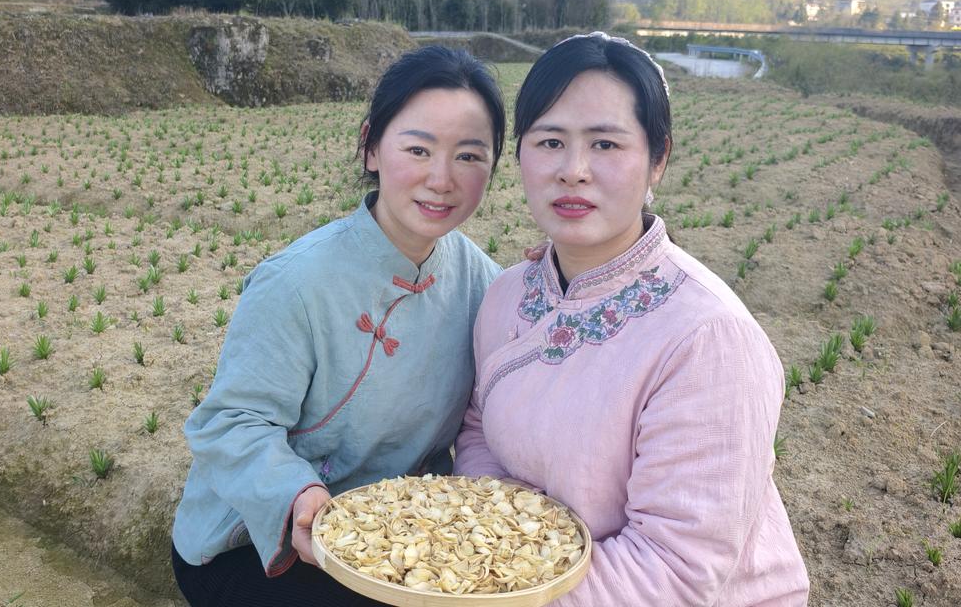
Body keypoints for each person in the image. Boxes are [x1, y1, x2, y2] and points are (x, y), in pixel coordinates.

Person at [454, 33, 809, 606]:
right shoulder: (506, 296)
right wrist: (495, 550)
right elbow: (478, 434)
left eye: (605, 144)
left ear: (657, 159)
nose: (573, 171)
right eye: (550, 141)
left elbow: (674, 570)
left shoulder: (708, 339)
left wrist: (500, 598)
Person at [172, 45, 506, 606]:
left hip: (395, 542)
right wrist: (296, 494)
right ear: (372, 146)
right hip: (257, 541)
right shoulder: (296, 282)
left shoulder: (485, 284)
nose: (442, 178)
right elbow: (231, 423)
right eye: (418, 149)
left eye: (469, 155)